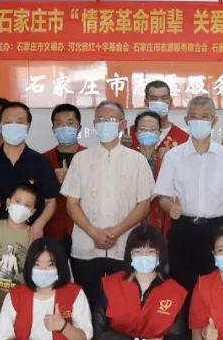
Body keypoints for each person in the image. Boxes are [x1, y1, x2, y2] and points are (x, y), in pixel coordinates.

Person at [152, 95, 223, 340]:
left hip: (217, 231)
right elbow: (162, 196)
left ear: (214, 121)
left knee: (215, 296)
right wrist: (170, 207)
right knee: (181, 296)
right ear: (186, 120)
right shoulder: (174, 156)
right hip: (183, 230)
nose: (199, 121)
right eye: (194, 116)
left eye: (205, 116)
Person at [63, 100, 155, 311]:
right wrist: (93, 232)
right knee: (87, 305)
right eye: (101, 120)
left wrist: (117, 231)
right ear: (94, 124)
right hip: (86, 245)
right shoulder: (80, 159)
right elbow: (72, 203)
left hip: (124, 245)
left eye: (111, 119)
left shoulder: (137, 160)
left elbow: (144, 205)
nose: (105, 124)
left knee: (122, 306)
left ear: (123, 124)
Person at [0, 101, 60, 242]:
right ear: (0, 125)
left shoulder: (41, 162)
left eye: (19, 122)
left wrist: (40, 224)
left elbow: (50, 201)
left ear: (28, 126)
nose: (13, 126)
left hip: (31, 238)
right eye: (8, 122)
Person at [43, 104, 85, 254]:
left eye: (70, 123)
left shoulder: (91, 157)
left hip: (84, 228)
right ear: (53, 128)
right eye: (59, 124)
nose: (64, 128)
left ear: (79, 127)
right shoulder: (43, 159)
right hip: (52, 229)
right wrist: (54, 182)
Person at [131, 80, 189, 156]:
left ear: (170, 102)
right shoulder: (131, 134)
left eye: (164, 98)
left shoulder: (183, 137)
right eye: (154, 98)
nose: (159, 102)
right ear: (146, 102)